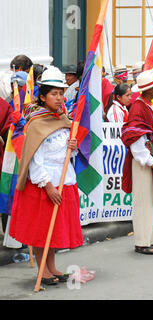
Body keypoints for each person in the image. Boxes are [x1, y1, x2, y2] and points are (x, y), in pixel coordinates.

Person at [8, 66, 82, 285]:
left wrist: (74, 146)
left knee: (55, 229)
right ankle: (43, 270)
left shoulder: (63, 119)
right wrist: (48, 186)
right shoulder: (36, 123)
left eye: (61, 93)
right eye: (53, 94)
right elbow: (34, 159)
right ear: (42, 96)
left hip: (64, 179)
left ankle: (52, 267)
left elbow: (67, 153)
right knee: (43, 231)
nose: (59, 98)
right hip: (43, 184)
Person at [121, 70, 153, 254]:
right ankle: (142, 241)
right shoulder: (138, 107)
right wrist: (150, 161)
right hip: (143, 162)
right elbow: (136, 138)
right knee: (143, 201)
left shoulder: (149, 106)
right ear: (149, 89)